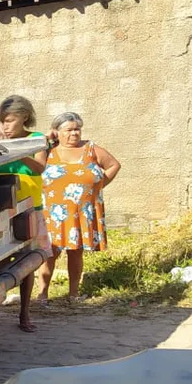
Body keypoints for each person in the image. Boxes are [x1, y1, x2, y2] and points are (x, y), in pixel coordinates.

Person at [0, 95, 46, 335]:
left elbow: (39, 167)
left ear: (24, 117)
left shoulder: (36, 140)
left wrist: (14, 150)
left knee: (26, 263)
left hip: (29, 209)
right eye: (3, 121)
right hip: (0, 209)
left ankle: (24, 314)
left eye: (10, 120)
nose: (6, 126)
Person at [37, 111, 121, 302]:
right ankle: (42, 294)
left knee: (76, 253)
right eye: (69, 130)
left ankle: (73, 294)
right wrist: (45, 139)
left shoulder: (91, 149)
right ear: (57, 132)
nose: (74, 134)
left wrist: (97, 186)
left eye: (77, 129)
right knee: (49, 253)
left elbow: (114, 165)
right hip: (53, 213)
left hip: (80, 212)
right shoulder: (48, 151)